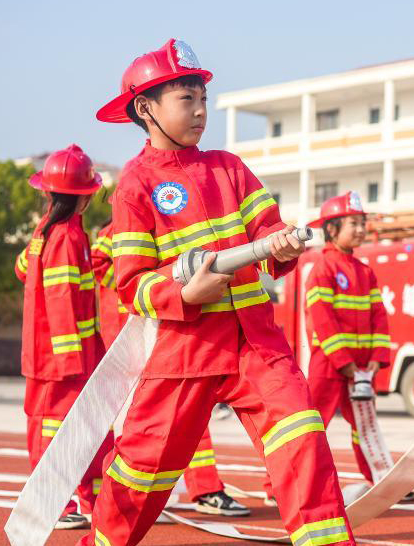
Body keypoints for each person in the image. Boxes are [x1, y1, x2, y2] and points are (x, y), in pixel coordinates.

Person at [81, 39, 352, 545]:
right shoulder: (135, 186)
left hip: (257, 348)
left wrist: (285, 247)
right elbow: (132, 285)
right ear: (146, 108)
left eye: (204, 99)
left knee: (303, 441)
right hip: (185, 353)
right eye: (187, 99)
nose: (202, 111)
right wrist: (184, 294)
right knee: (141, 479)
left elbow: (268, 235)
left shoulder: (229, 168)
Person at [90, 219, 250, 517]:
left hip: (162, 329)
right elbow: (98, 263)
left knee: (178, 418)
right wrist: (146, 293)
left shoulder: (167, 221)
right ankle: (130, 501)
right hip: (137, 334)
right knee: (143, 424)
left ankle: (198, 489)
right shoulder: (120, 227)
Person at [14, 144, 111, 530]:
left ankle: (88, 499)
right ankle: (56, 503)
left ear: (47, 193)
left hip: (48, 354)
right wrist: (74, 360)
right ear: (85, 198)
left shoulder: (45, 232)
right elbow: (61, 300)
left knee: (67, 426)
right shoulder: (69, 238)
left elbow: (22, 270)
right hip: (64, 358)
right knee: (62, 427)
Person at [303, 191, 391, 484]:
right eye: (353, 223)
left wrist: (377, 360)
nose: (361, 229)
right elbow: (322, 321)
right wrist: (344, 362)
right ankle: (283, 485)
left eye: (362, 223)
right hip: (329, 364)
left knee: (365, 426)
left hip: (363, 366)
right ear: (332, 229)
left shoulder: (366, 272)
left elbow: (380, 316)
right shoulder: (322, 268)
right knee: (311, 425)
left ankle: (378, 479)